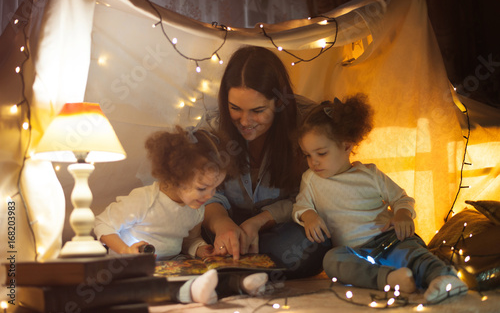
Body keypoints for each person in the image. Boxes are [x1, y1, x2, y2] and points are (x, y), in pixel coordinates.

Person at [292, 94, 469, 303]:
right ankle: (390, 279)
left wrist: (402, 214)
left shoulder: (370, 175)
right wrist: (309, 216)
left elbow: (401, 198)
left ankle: (445, 279)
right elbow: (301, 205)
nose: (313, 162)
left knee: (414, 255)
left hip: (389, 240)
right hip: (354, 252)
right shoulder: (311, 180)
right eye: (307, 155)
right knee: (331, 260)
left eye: (321, 153)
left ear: (347, 145)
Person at [94, 126, 268, 305]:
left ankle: (239, 283)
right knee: (140, 285)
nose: (210, 196)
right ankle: (190, 292)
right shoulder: (144, 200)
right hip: (131, 268)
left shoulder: (196, 207)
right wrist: (125, 250)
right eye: (202, 188)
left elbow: (190, 240)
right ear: (174, 177)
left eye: (215, 188)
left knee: (207, 273)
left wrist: (202, 249)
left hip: (173, 265)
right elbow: (101, 224)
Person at [200, 45, 331, 280]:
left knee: (307, 244)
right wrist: (222, 224)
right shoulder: (213, 126)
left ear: (279, 103)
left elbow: (318, 195)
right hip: (227, 228)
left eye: (258, 110)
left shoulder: (308, 122)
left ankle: (236, 266)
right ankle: (242, 262)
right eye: (235, 109)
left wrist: (258, 222)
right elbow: (205, 192)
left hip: (286, 227)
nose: (245, 121)